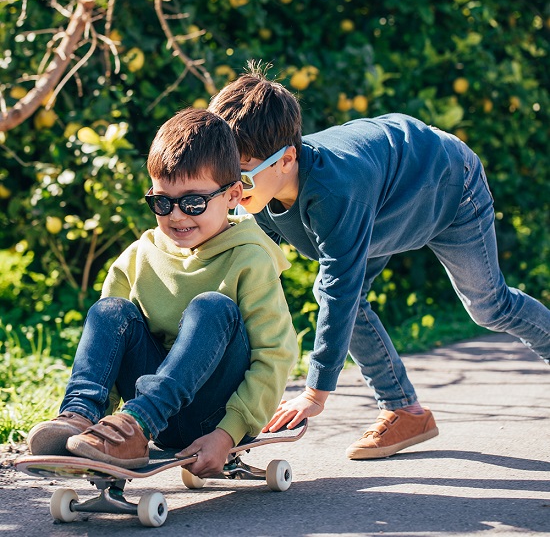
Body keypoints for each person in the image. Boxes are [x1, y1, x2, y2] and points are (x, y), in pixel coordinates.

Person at [208, 66, 550, 460]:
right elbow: (243, 278)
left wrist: (315, 392)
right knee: (337, 294)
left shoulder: (336, 193)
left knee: (489, 307)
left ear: (287, 160)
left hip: (448, 186)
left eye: (243, 177)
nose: (233, 189)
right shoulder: (257, 194)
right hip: (387, 195)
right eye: (226, 175)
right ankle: (406, 412)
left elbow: (341, 291)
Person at [27, 108, 298, 476]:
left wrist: (228, 433)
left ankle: (135, 424)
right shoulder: (140, 256)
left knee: (212, 307)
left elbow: (275, 355)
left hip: (213, 415)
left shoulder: (250, 259)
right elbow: (109, 353)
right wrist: (96, 433)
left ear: (234, 194)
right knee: (110, 311)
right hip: (153, 414)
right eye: (162, 202)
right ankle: (82, 418)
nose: (176, 216)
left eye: (193, 203)